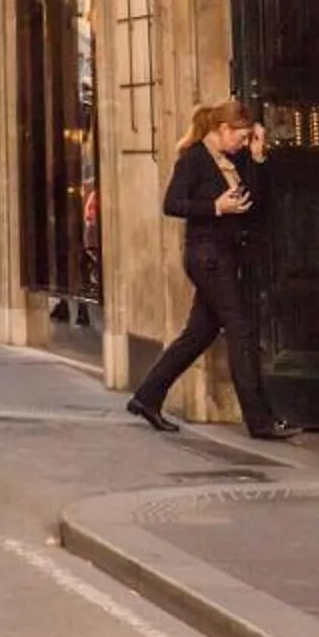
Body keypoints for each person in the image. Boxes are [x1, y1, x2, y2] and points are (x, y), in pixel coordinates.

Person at [126, 100, 304, 441]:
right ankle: (260, 421)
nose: (242, 142)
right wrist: (215, 207)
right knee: (241, 330)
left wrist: (257, 157)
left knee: (199, 334)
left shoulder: (236, 158)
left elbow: (256, 202)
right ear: (222, 129)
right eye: (240, 136)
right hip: (207, 257)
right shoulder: (192, 159)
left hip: (229, 254)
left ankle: (147, 397)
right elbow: (172, 204)